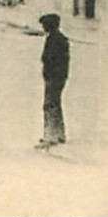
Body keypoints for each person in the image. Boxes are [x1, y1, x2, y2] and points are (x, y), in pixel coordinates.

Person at [37, 13, 70, 149]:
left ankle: (50, 136)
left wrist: (51, 74)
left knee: (49, 105)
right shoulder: (60, 38)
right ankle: (60, 133)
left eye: (44, 25)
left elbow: (51, 59)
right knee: (55, 104)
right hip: (58, 77)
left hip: (54, 77)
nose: (43, 27)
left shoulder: (54, 39)